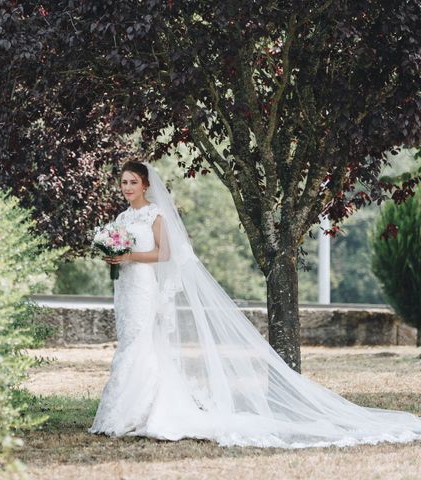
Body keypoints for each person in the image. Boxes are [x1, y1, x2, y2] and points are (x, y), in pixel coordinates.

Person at [88, 160, 421, 448]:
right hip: (127, 288)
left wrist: (130, 254)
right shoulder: (121, 217)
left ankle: (142, 411)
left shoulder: (155, 215)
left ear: (145, 184)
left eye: (133, 182)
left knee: (142, 342)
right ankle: (123, 410)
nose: (127, 187)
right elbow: (119, 249)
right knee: (130, 340)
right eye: (123, 182)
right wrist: (114, 256)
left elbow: (165, 253)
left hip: (145, 286)